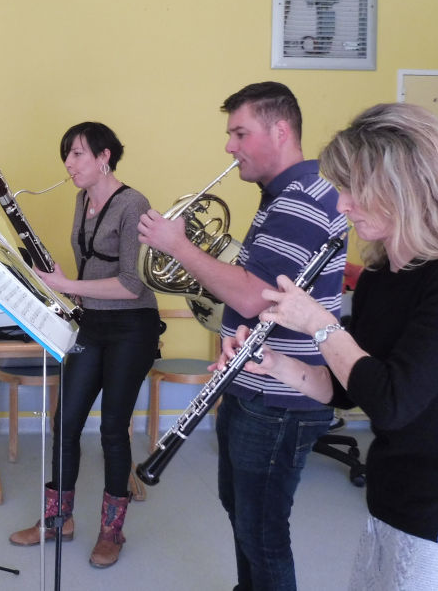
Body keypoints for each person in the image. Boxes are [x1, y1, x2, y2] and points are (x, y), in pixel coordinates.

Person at [222, 102, 438, 590]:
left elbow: (392, 403)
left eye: (353, 190)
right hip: (389, 505)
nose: (342, 205)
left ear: (404, 188)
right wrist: (272, 363)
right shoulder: (383, 279)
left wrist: (321, 324)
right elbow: (347, 390)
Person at [138, 82, 347, 590]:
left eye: (239, 133)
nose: (229, 147)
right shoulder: (285, 197)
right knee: (243, 515)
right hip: (252, 382)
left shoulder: (299, 201)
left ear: (280, 131)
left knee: (263, 531)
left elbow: (256, 298)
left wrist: (178, 246)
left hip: (278, 397)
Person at [6, 122, 160, 569]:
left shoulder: (134, 204)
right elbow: (91, 269)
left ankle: (112, 532)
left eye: (77, 154)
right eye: (67, 156)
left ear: (104, 156)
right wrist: (61, 281)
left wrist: (69, 283)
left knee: (113, 429)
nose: (69, 164)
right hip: (92, 323)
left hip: (133, 326)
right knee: (64, 421)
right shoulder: (81, 201)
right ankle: (59, 520)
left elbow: (133, 285)